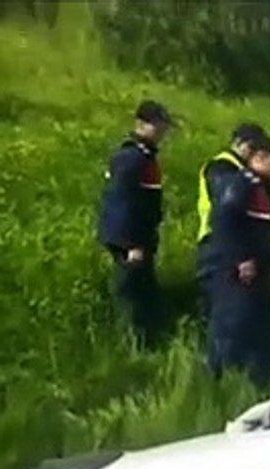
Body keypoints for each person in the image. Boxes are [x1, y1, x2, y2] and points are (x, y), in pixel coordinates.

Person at [196, 135, 270, 387]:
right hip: (235, 270)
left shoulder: (260, 189)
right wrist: (241, 259)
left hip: (256, 269)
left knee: (257, 326)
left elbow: (262, 235)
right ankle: (218, 380)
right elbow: (224, 221)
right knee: (232, 323)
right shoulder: (242, 184)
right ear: (260, 158)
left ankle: (259, 380)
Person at [96, 99, 175, 348]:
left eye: (163, 126)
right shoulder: (132, 158)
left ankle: (145, 344)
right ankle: (133, 345)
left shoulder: (144, 156)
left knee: (144, 293)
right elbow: (123, 203)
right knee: (132, 295)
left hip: (141, 237)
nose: (162, 131)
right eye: (157, 125)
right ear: (141, 124)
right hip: (131, 241)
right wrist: (131, 244)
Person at [196, 122, 267, 246]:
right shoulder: (221, 165)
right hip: (216, 235)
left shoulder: (242, 168)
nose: (254, 153)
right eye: (252, 147)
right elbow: (225, 198)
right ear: (238, 142)